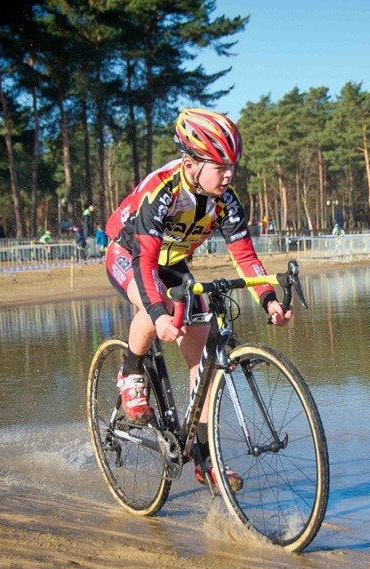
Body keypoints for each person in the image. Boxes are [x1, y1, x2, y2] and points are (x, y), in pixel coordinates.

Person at [104, 108, 292, 491]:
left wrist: (269, 299)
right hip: (130, 255)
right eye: (220, 166)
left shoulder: (225, 200)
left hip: (172, 262)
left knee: (203, 353)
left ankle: (205, 459)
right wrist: (158, 314)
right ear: (191, 163)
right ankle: (131, 369)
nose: (229, 175)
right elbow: (144, 262)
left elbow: (245, 257)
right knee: (151, 301)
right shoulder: (163, 190)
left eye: (232, 167)